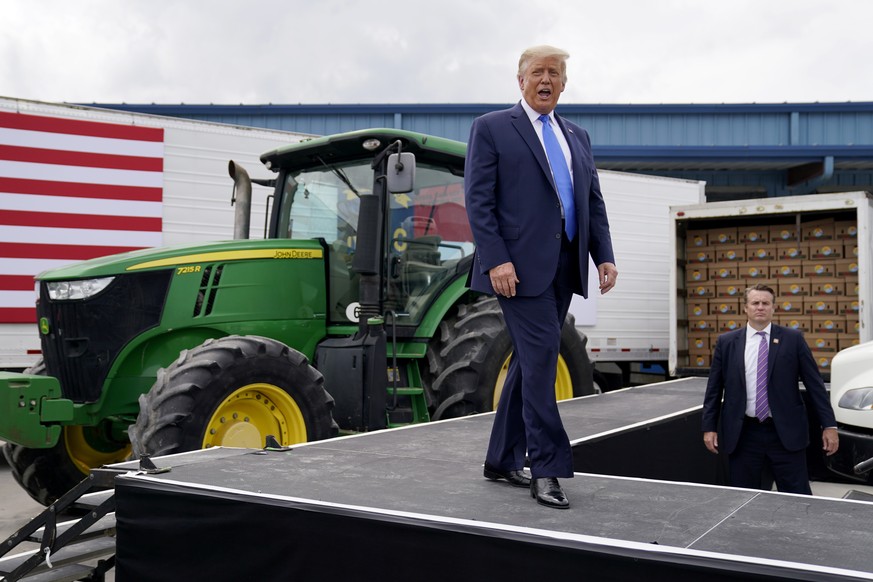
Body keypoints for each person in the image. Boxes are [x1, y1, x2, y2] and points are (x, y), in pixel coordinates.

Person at [464, 45, 617, 509]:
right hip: (516, 270)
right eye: (537, 72)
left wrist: (603, 256)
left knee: (531, 364)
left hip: (564, 267)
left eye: (554, 73)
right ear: (521, 80)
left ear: (564, 83)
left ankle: (501, 458)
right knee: (543, 360)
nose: (545, 79)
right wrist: (496, 260)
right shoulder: (492, 128)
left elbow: (592, 201)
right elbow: (478, 200)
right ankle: (546, 468)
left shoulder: (578, 136)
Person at [702, 283, 839, 494]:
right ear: (745, 308)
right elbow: (714, 389)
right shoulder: (727, 343)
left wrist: (829, 425)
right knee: (742, 498)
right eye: (755, 303)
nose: (760, 307)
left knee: (797, 498)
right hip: (743, 435)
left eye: (765, 303)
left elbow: (815, 386)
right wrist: (709, 427)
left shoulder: (793, 340)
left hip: (785, 434)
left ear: (773, 308)